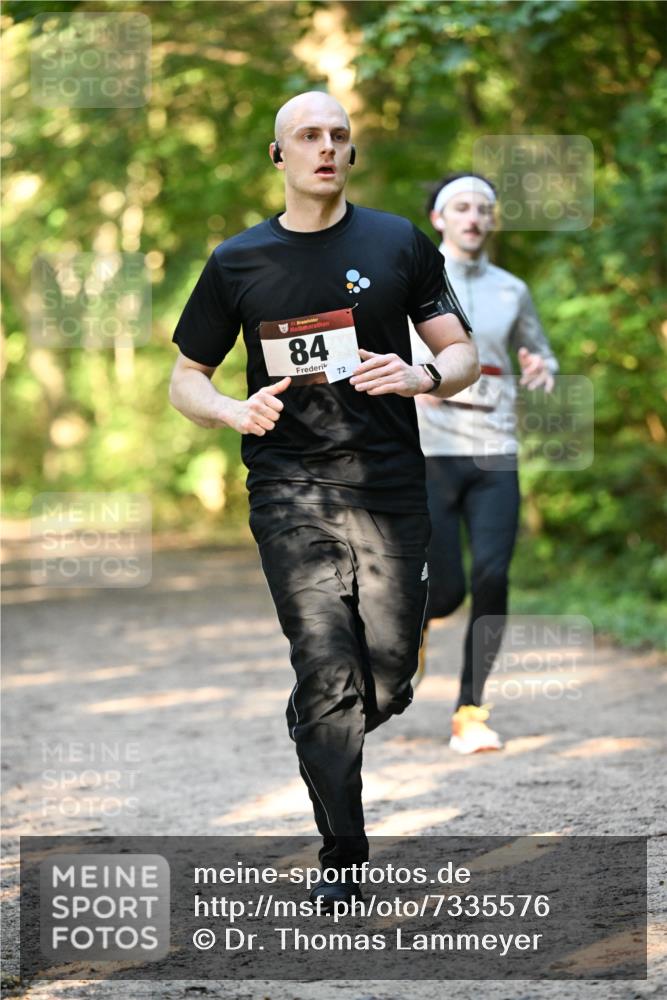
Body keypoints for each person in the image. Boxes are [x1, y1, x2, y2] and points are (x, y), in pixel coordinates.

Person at [169, 93, 479, 909]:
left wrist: (422, 375)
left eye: (338, 135)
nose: (326, 147)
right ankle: (343, 853)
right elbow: (184, 380)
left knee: (388, 678)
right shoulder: (237, 262)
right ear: (279, 156)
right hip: (287, 488)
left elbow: (461, 352)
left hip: (388, 486)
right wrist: (234, 410)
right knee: (325, 666)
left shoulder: (397, 242)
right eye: (308, 136)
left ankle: (319, 719)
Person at [411, 172, 558, 754]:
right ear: (440, 219)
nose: (474, 217)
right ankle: (414, 629)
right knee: (444, 592)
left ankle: (470, 710)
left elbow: (538, 350)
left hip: (495, 451)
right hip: (429, 453)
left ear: (492, 220)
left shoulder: (511, 290)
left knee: (493, 577)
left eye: (483, 209)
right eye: (461, 208)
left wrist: (541, 367)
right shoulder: (412, 282)